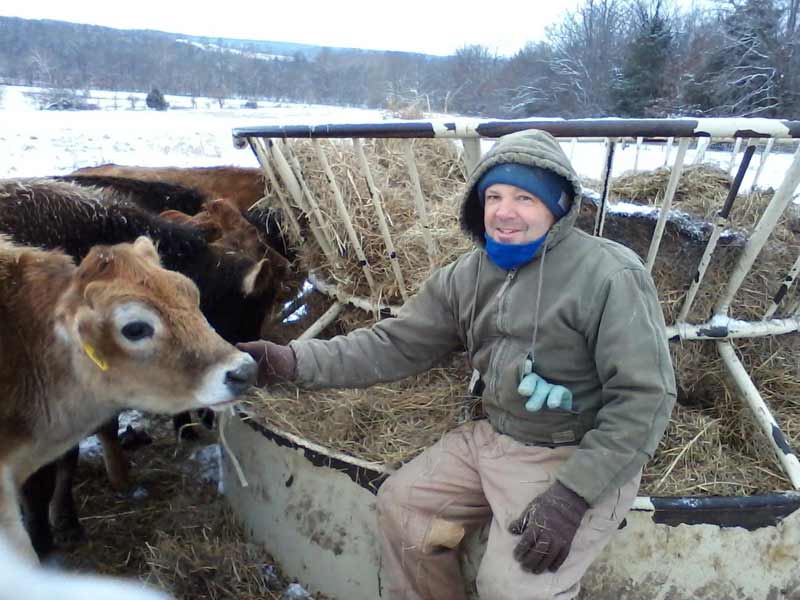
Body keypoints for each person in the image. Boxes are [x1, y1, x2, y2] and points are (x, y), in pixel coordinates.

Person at [237, 129, 677, 600]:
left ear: (559, 206)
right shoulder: (466, 276)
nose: (504, 212)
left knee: (512, 590)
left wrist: (573, 496)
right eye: (494, 196)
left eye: (525, 198)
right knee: (405, 512)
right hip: (496, 435)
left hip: (573, 451)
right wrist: (290, 359)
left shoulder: (609, 275)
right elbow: (393, 344)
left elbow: (644, 396)